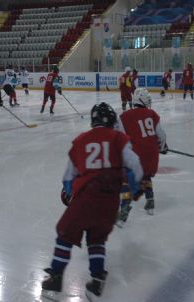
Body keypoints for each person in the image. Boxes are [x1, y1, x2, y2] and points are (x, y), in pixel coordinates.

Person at [41, 102, 143, 301]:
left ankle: (55, 279)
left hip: (87, 198)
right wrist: (135, 187)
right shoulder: (119, 138)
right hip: (110, 201)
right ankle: (96, 283)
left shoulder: (81, 140)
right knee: (97, 239)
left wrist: (69, 191)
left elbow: (68, 176)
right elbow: (135, 165)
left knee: (65, 233)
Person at [115, 88, 167, 227]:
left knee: (126, 181)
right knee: (146, 175)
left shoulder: (124, 116)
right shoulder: (152, 114)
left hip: (136, 156)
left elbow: (120, 137)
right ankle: (150, 202)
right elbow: (161, 135)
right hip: (152, 155)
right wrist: (162, 147)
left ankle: (123, 213)